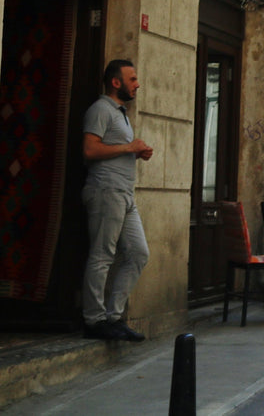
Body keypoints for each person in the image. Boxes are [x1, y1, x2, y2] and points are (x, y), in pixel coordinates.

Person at [80, 58, 153, 341]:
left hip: (125, 193)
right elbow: (90, 150)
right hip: (106, 190)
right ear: (115, 82)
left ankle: (113, 317)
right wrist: (128, 147)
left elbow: (116, 149)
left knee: (138, 253)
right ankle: (94, 320)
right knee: (102, 255)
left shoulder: (121, 113)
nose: (137, 84)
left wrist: (136, 152)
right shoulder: (100, 109)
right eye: (132, 79)